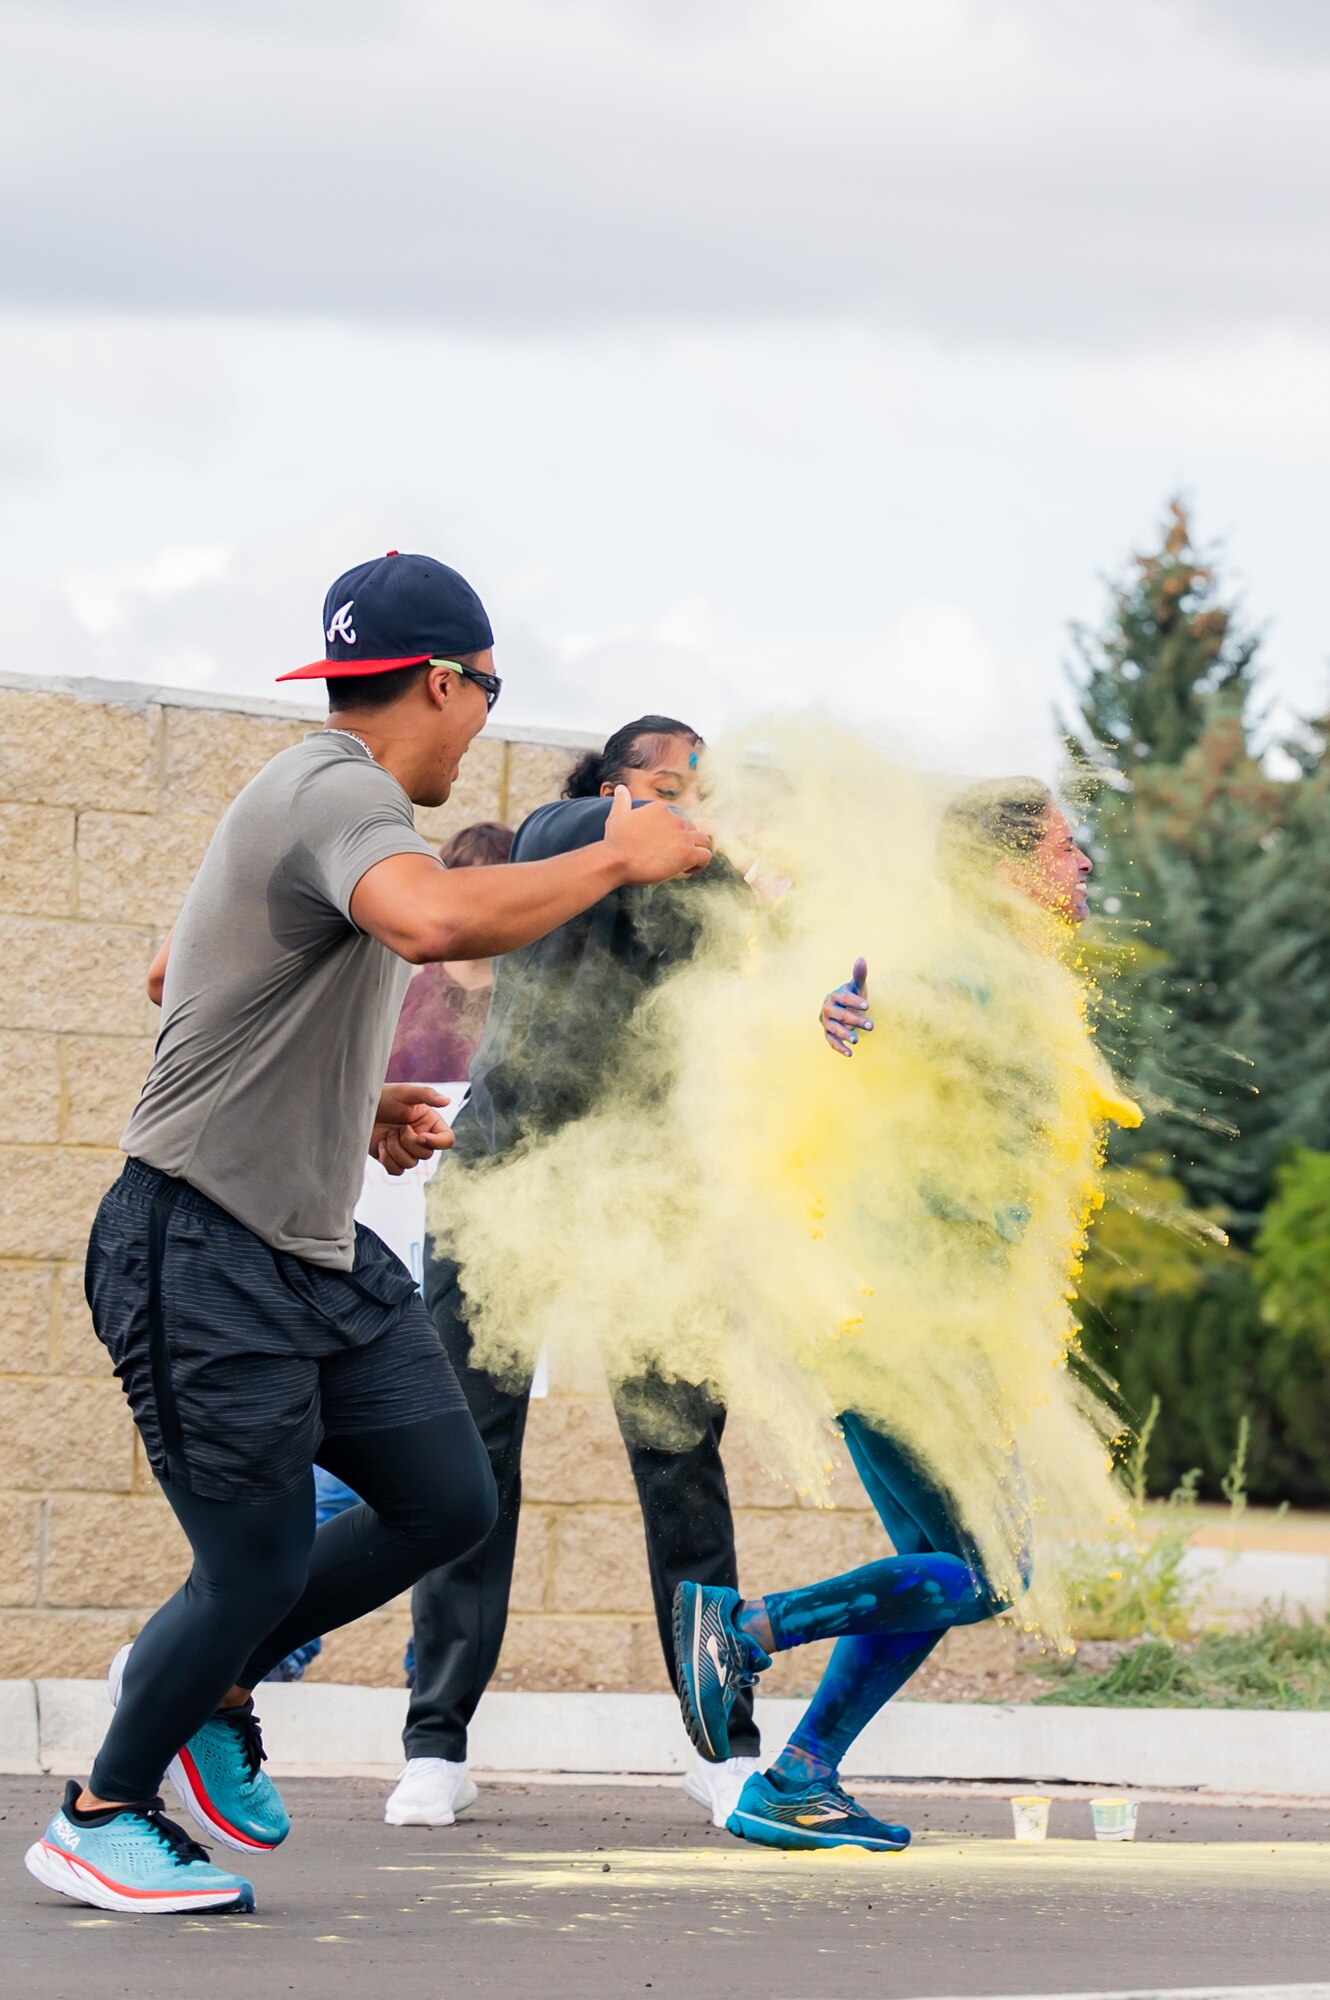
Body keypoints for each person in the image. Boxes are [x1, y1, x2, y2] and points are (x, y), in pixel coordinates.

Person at [25, 552, 710, 1918]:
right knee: (257, 1562)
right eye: (487, 696)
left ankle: (210, 1677)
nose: (483, 724)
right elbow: (436, 919)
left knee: (448, 1498)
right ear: (446, 682)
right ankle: (99, 1810)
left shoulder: (323, 806)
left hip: (306, 1242)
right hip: (196, 1246)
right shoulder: (338, 788)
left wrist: (347, 1106)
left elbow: (182, 973)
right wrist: (624, 852)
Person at [673, 781, 1098, 1853]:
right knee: (987, 1572)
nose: (1082, 864)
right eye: (1064, 846)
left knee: (944, 1568)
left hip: (918, 1320)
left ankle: (800, 1772)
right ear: (1008, 869)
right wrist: (843, 1018)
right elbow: (869, 1009)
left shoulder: (1012, 973)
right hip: (907, 1324)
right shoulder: (964, 963)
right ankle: (748, 1627)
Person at [386, 717, 763, 1834]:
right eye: (663, 780)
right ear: (610, 785)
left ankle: (724, 1741)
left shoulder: (712, 895)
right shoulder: (555, 840)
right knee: (471, 1462)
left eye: (702, 784)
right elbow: (584, 827)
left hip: (653, 1205)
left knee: (681, 1461)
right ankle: (435, 1739)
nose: (687, 799)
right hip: (501, 1185)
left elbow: (787, 980)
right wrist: (648, 817)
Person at [268, 817, 515, 1685]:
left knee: (453, 1471)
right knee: (427, 1466)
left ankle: (415, 1658)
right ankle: (289, 1631)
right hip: (402, 1251)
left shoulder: (478, 996)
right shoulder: (416, 991)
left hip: (460, 1259)